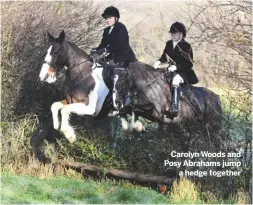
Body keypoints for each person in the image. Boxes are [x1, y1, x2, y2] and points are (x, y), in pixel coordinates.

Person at [154, 22, 198, 117]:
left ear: (181, 34)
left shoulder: (187, 46)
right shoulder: (169, 44)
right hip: (170, 70)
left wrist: (177, 67)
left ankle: (175, 107)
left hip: (184, 73)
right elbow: (164, 57)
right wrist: (158, 62)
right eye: (171, 33)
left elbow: (189, 64)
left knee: (175, 80)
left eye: (175, 33)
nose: (172, 35)